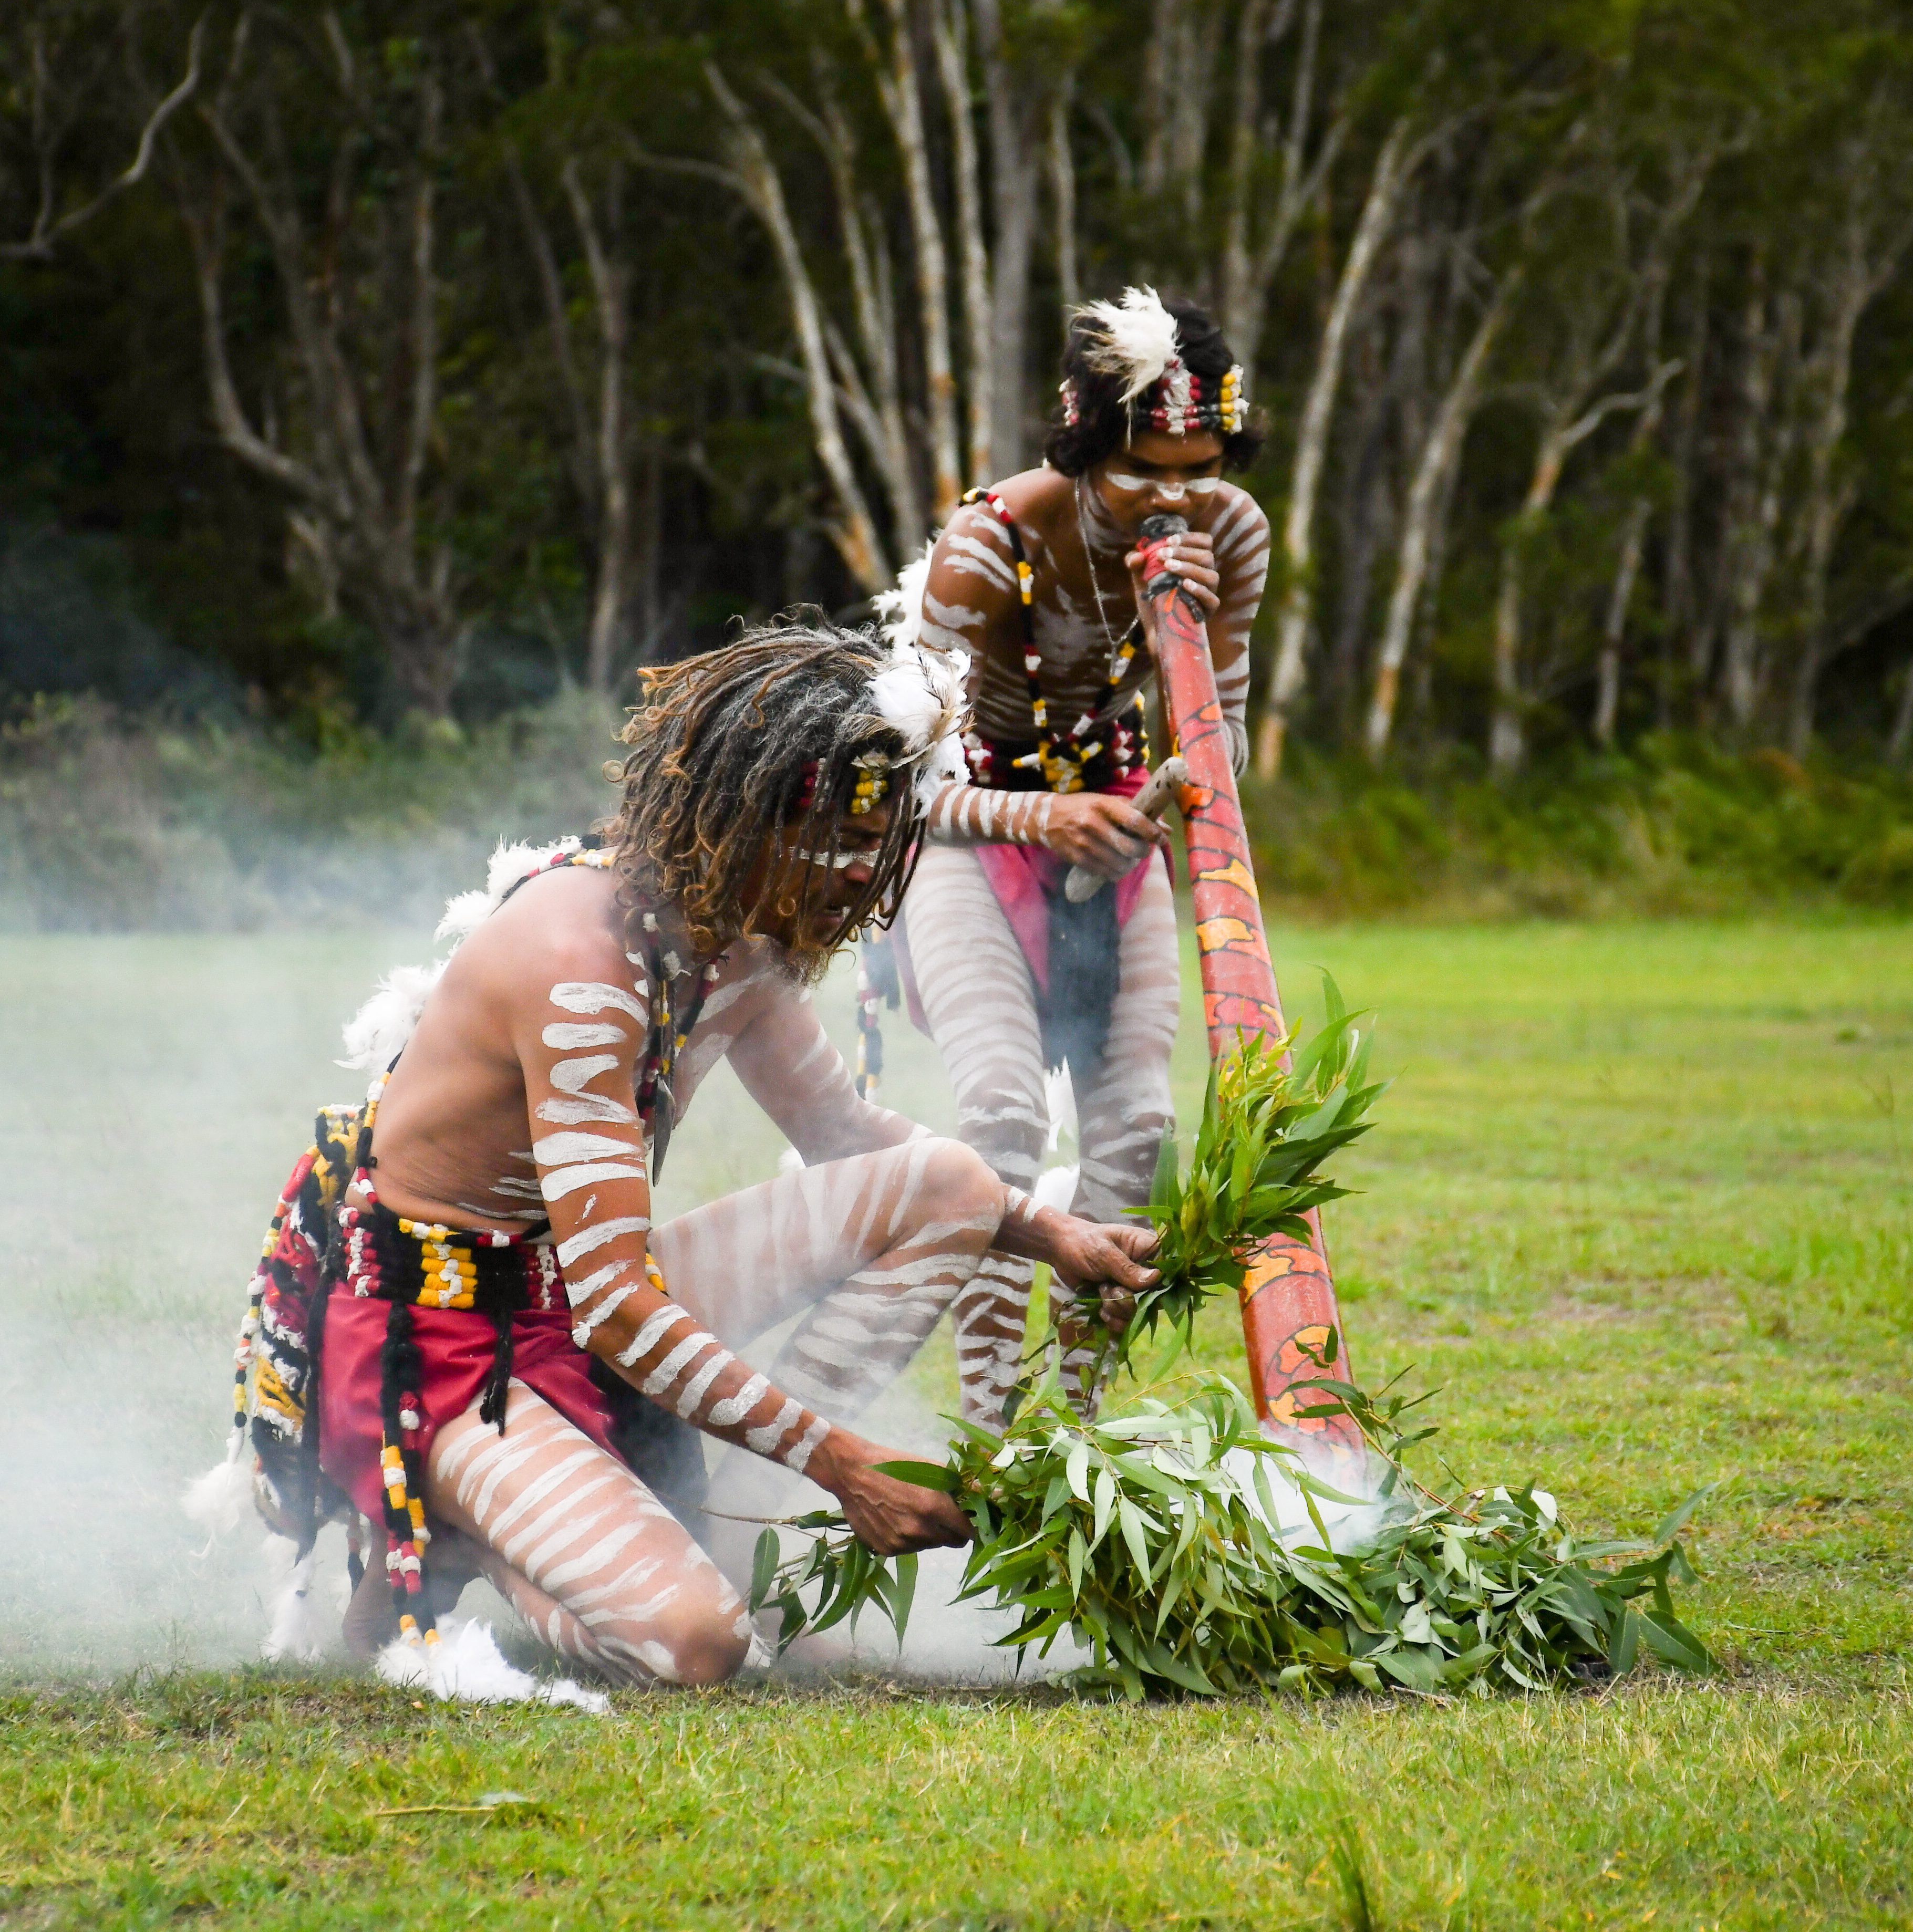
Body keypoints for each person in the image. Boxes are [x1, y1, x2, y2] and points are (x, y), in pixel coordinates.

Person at [222, 623, 1159, 1689]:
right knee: (698, 1645)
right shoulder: (584, 967)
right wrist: (848, 1465)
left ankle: (755, 1550)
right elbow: (621, 1306)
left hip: (571, 1294)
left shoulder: (736, 939)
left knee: (951, 1184)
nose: (853, 874)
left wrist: (1054, 1232)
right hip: (446, 1347)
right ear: (737, 815)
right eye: (827, 837)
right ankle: (461, 1532)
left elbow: (849, 1137)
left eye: (874, 839)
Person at [891, 287, 1270, 1430]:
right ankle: (992, 1424)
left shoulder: (1230, 532)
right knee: (1002, 1116)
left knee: (1138, 1129)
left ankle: (1079, 1426)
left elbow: (1226, 751)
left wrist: (1183, 643)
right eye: (1139, 473)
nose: (1170, 499)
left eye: (1194, 470)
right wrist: (1036, 822)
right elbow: (899, 785)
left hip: (1117, 821)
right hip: (970, 827)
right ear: (1085, 444)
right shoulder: (987, 543)